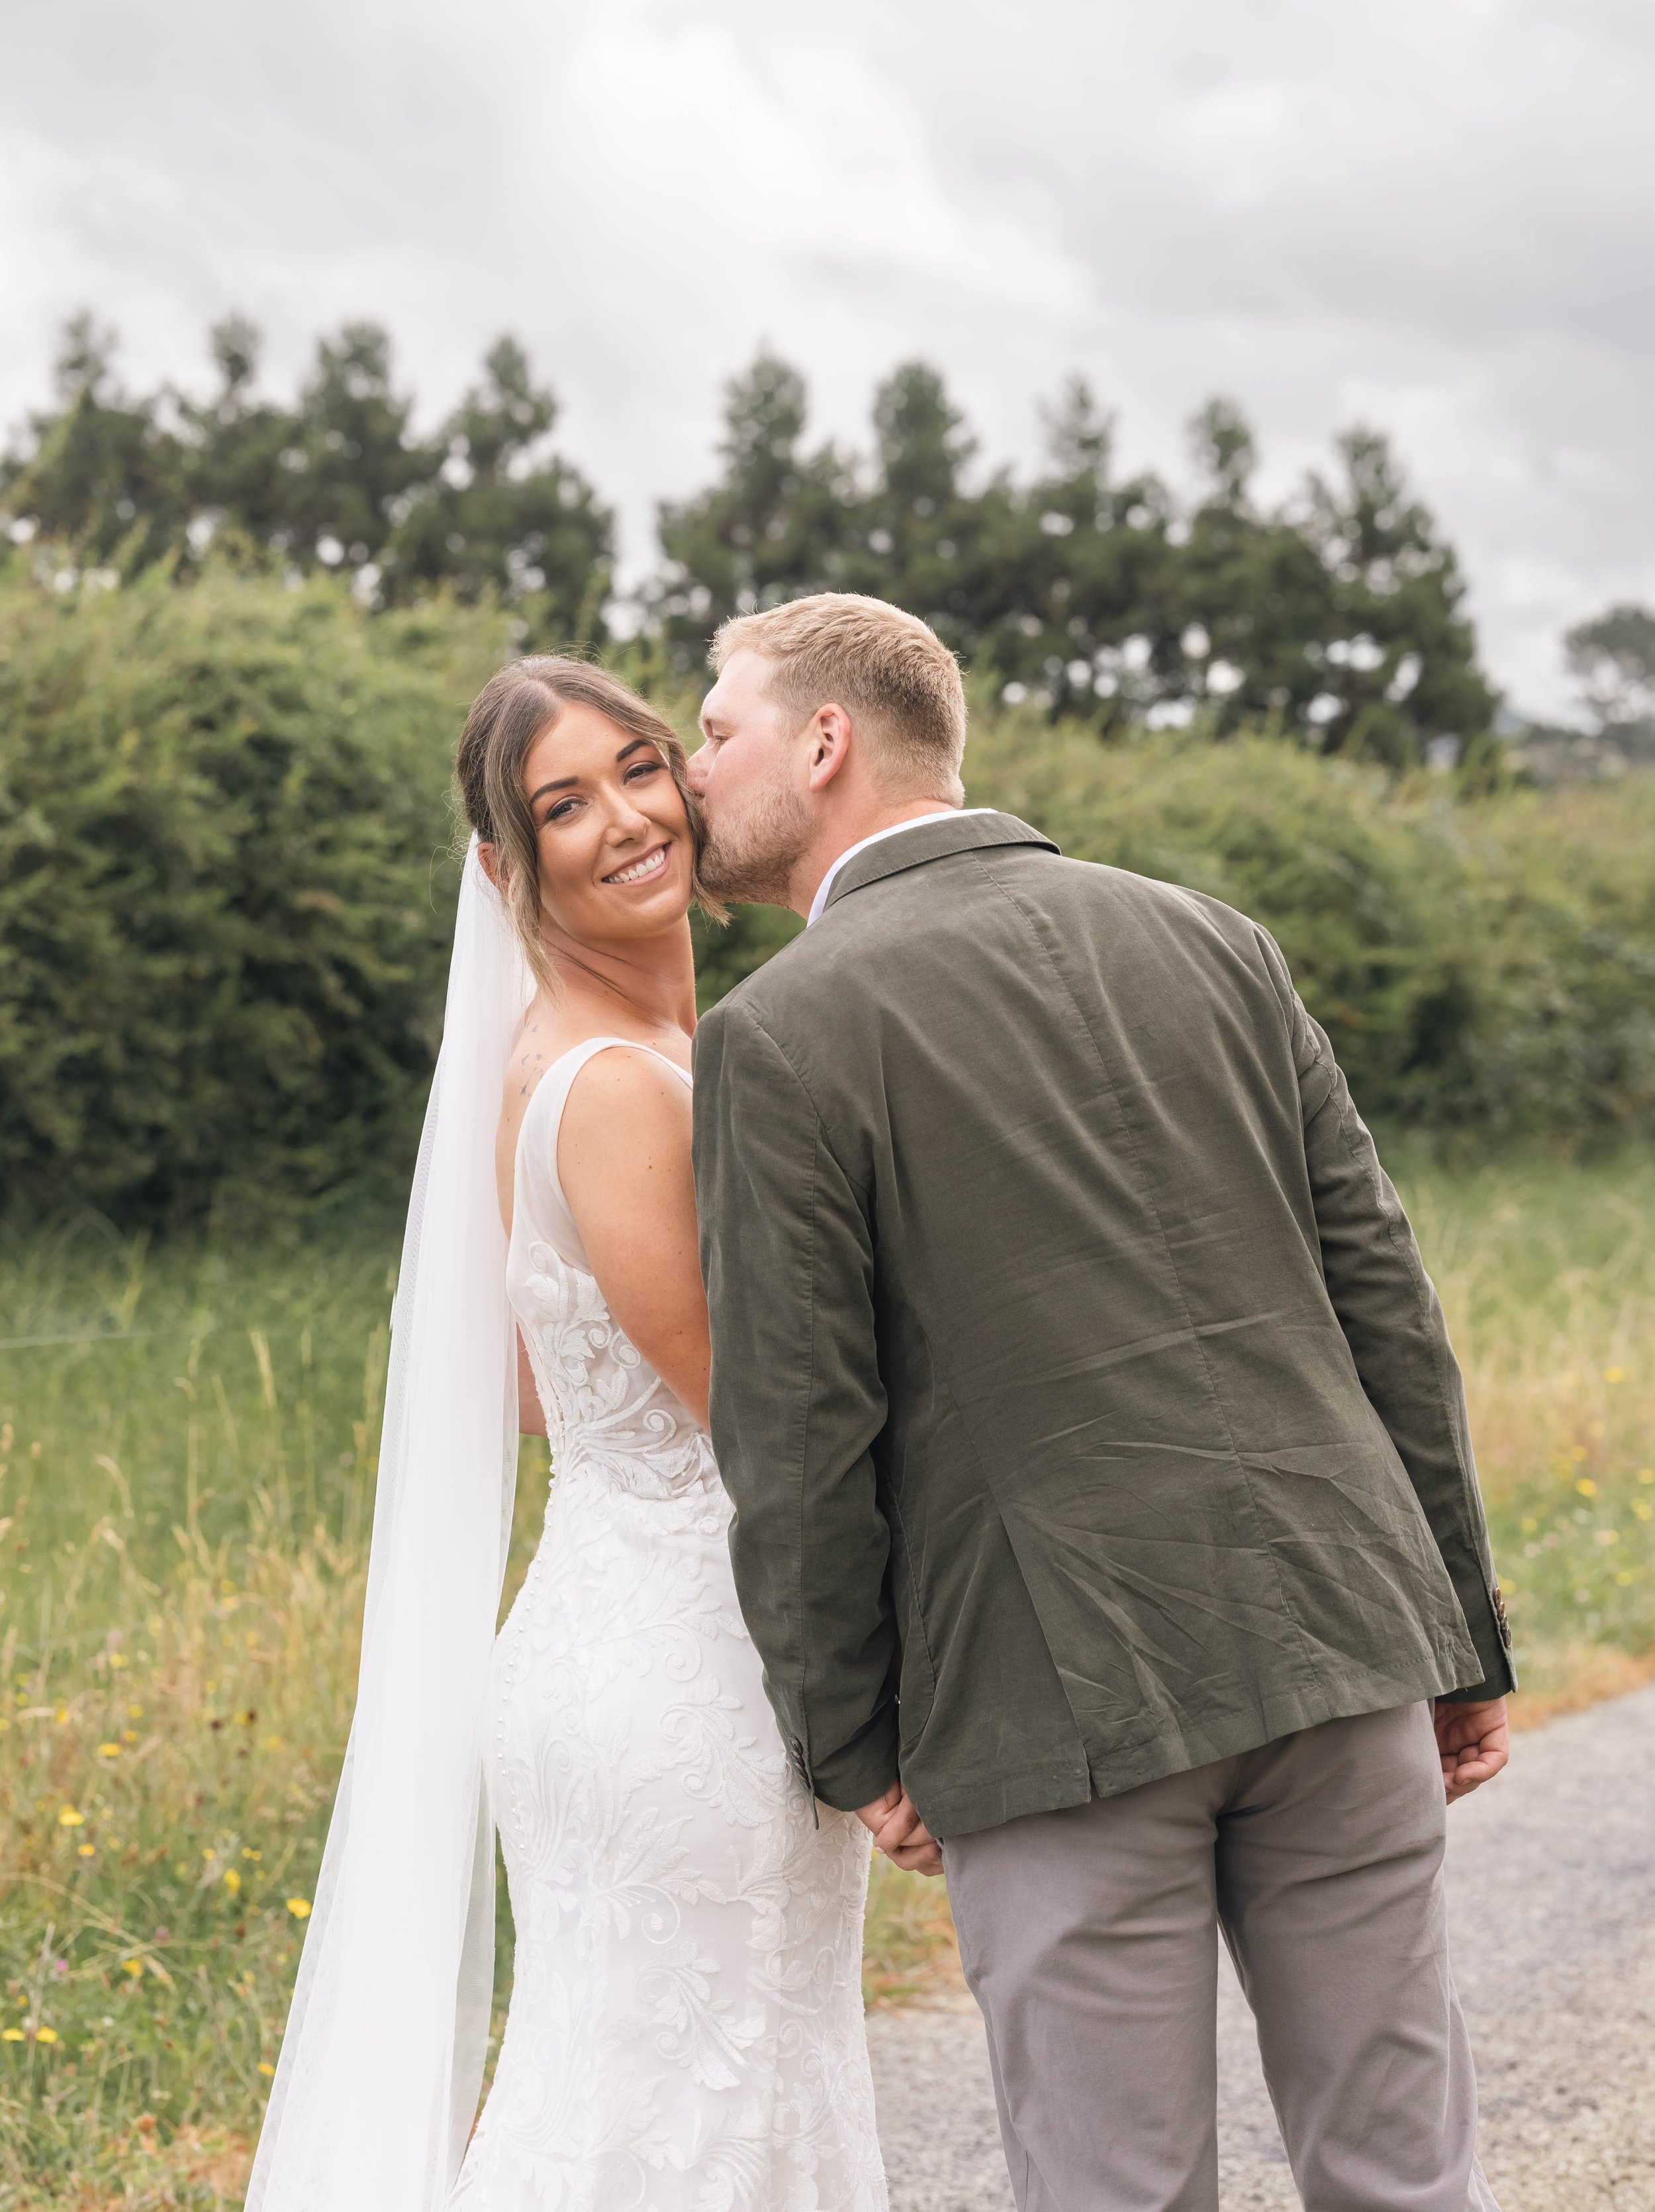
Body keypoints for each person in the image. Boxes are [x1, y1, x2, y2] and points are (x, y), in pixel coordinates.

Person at [688, 592, 1513, 2212]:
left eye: (718, 731)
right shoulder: (1211, 934)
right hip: (1341, 1637)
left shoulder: (777, 1035)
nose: (694, 770)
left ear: (826, 740)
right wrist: (1453, 1632)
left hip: (1056, 1702)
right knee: (1406, 2176)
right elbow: (1383, 1307)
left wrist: (848, 1736)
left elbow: (798, 1437)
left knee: (1111, 2192)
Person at [248, 661, 886, 2212]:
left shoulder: (557, 1064)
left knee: (629, 2105)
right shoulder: (616, 1091)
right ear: (503, 866)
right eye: (561, 804)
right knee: (699, 2117)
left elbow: (543, 1389)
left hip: (607, 1640)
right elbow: (758, 1424)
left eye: (641, 769)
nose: (624, 821)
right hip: (693, 1688)